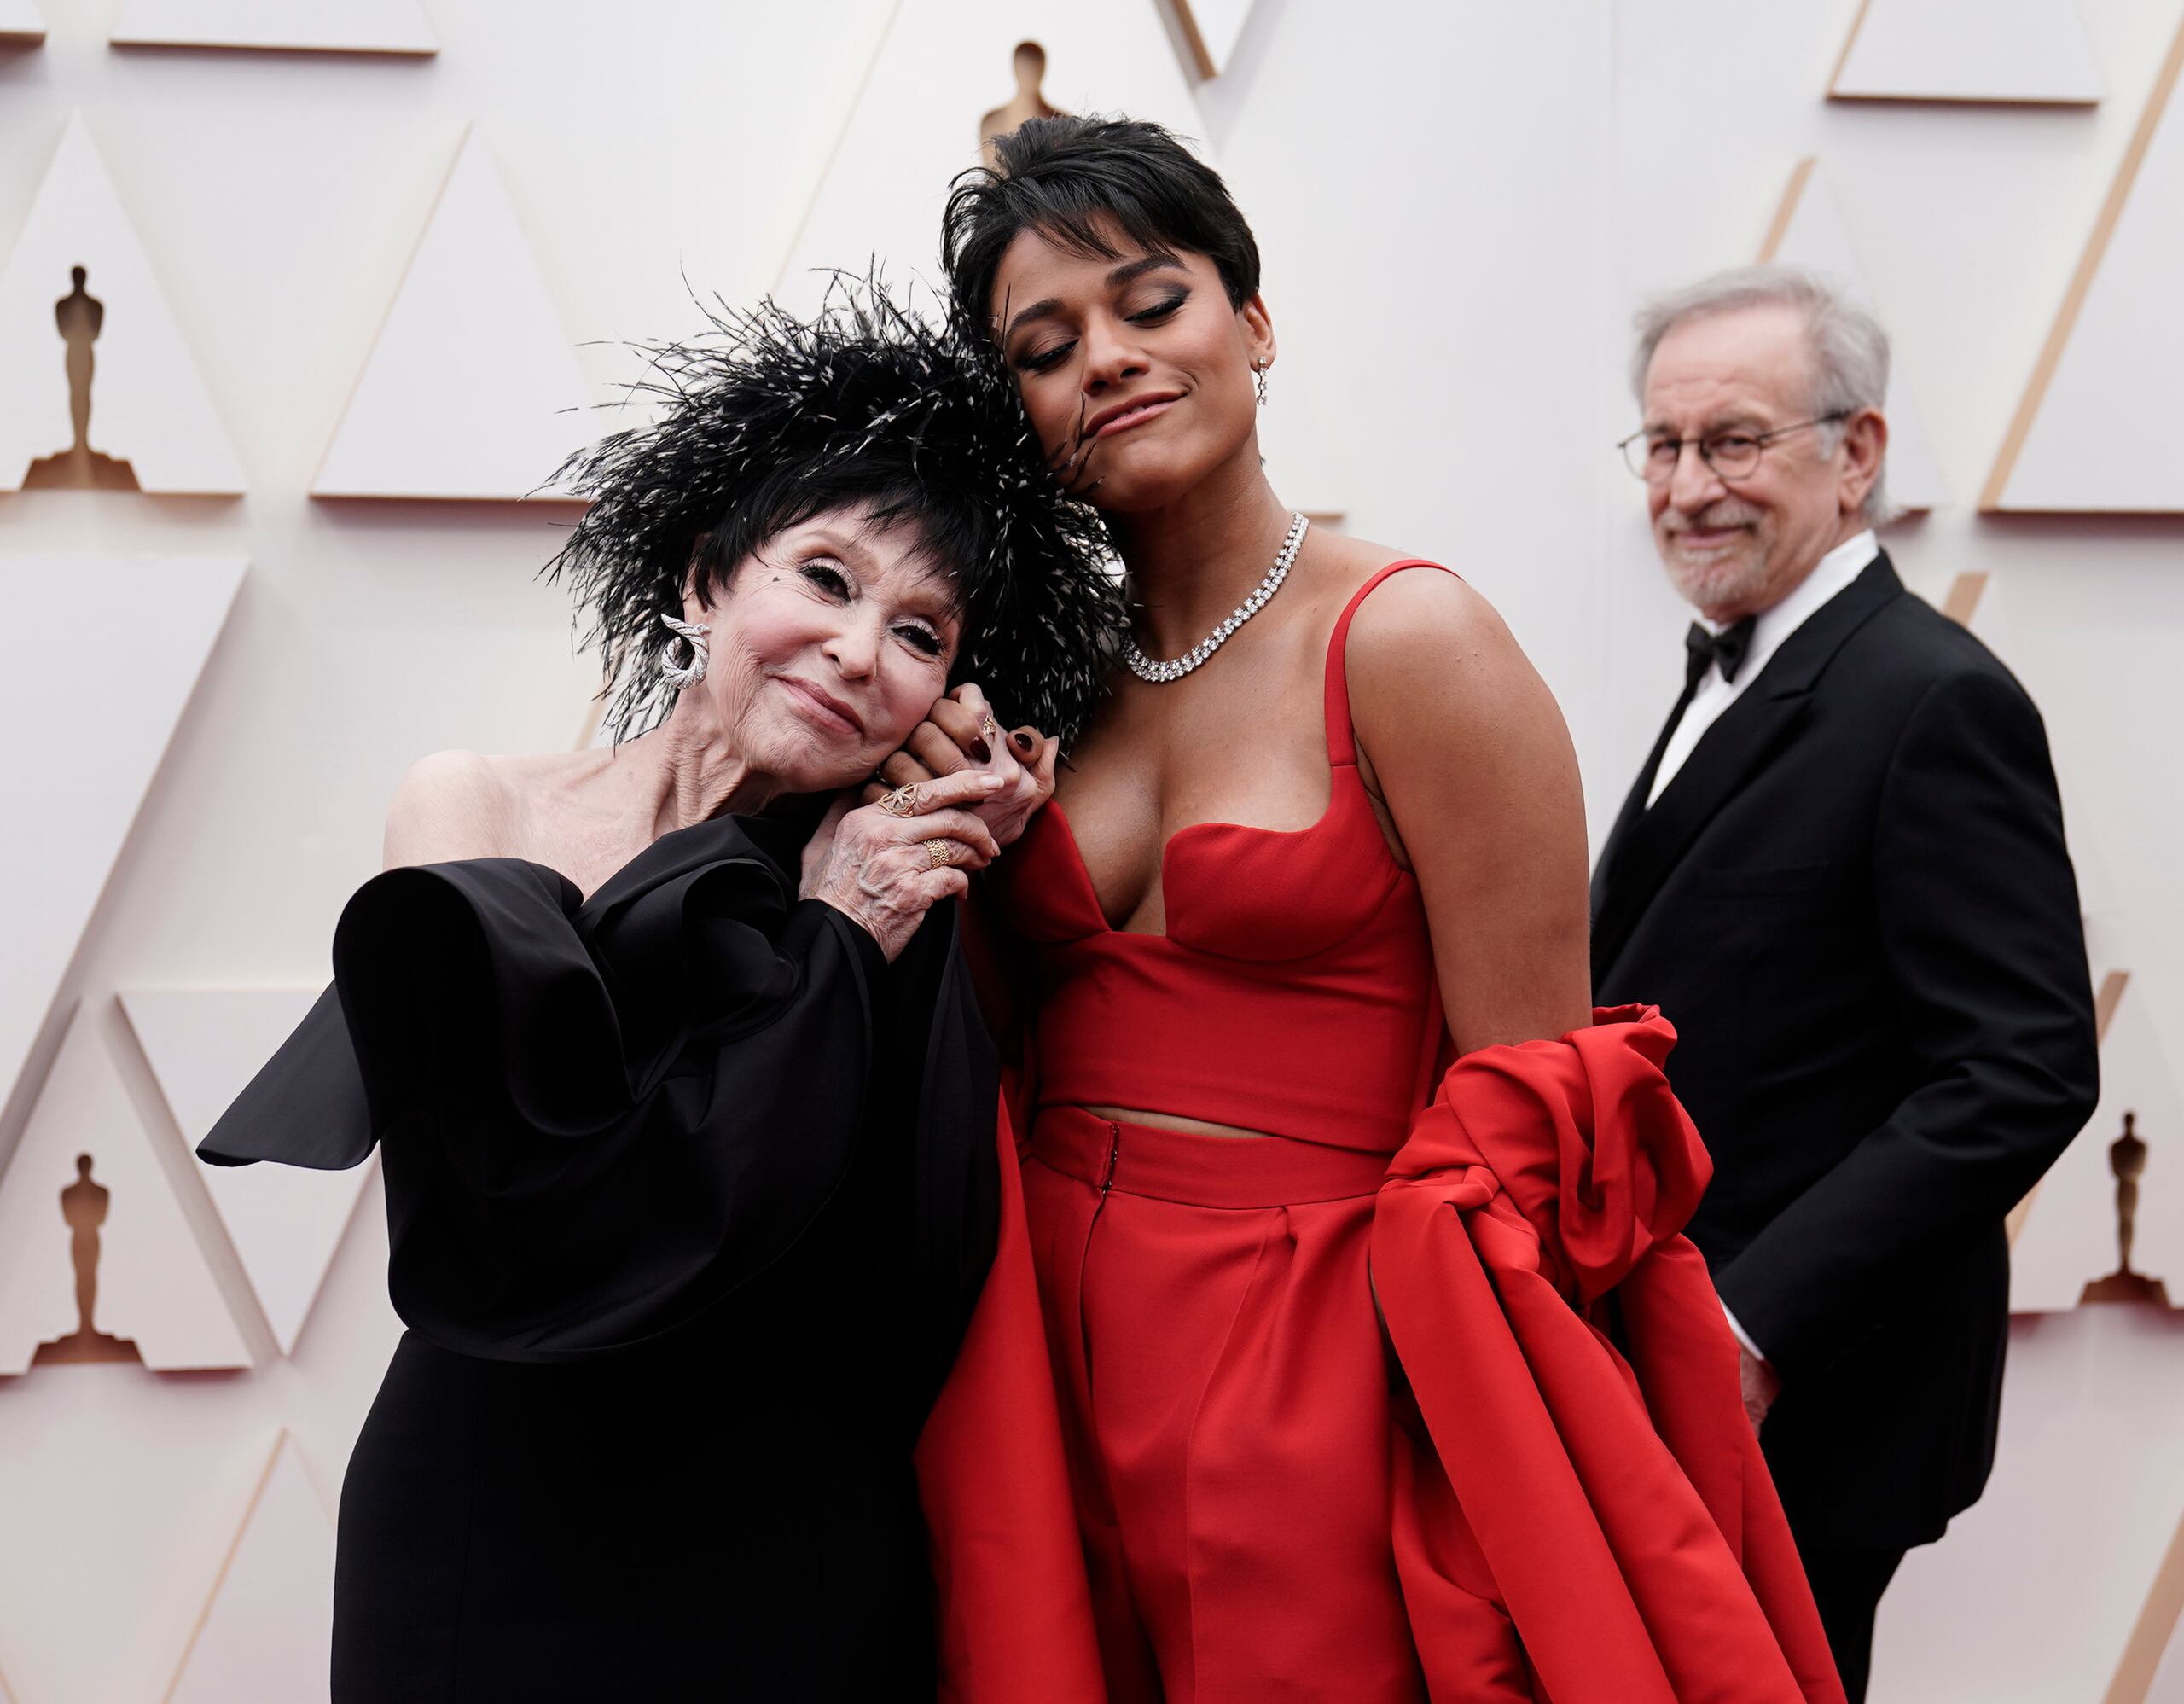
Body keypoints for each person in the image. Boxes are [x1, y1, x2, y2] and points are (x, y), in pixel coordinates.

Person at [893, 115, 1844, 1704]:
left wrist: (1414, 1414)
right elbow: (993, 1041)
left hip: (1328, 1363)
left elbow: (1540, 1108)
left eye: (1152, 301)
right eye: (1046, 346)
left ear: (1253, 324)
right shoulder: (1032, 675)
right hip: (1046, 1337)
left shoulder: (1414, 640)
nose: (1109, 360)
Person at [198, 280, 1122, 1702]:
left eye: (923, 634)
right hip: (486, 1521)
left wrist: (931, 890)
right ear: (704, 578)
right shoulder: (474, 805)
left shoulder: (895, 883)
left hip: (787, 1547)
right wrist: (830, 940)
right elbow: (524, 1220)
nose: (859, 651)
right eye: (824, 577)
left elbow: (918, 1270)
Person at [1591, 265, 2100, 1701]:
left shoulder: (1935, 695)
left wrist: (1754, 1325)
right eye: (1666, 446)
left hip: (1802, 1393)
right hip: (1671, 1370)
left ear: (1857, 453)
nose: (1690, 487)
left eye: (1735, 441)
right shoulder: (1739, 673)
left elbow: (2024, 1066)